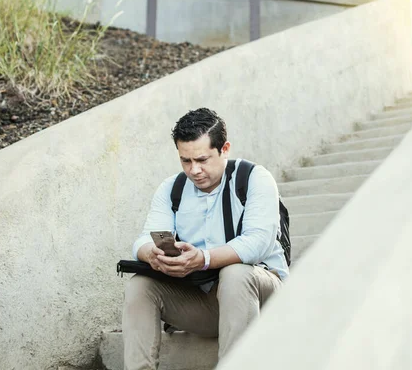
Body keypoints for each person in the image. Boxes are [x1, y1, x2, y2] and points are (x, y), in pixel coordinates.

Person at [122, 108, 289, 370]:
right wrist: (151, 254)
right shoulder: (172, 188)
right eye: (185, 161)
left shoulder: (254, 178)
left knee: (235, 273)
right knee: (140, 285)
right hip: (208, 304)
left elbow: (258, 243)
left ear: (224, 149)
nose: (194, 170)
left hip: (262, 295)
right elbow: (143, 239)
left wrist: (203, 259)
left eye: (202, 159)